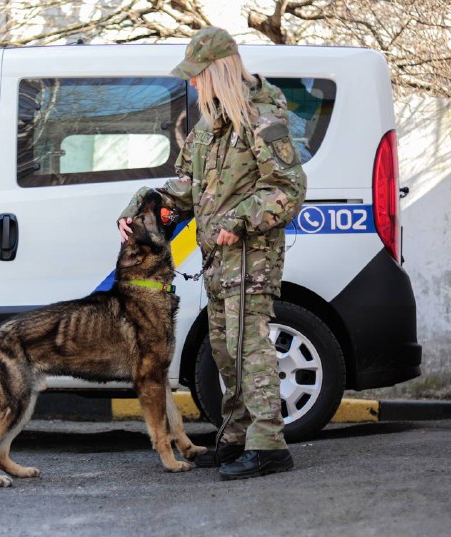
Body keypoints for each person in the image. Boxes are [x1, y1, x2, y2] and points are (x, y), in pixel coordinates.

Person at [117, 26, 307, 480]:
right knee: (224, 348)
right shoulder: (211, 127)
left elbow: (288, 189)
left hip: (250, 256)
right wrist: (141, 206)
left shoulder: (262, 119)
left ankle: (268, 446)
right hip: (218, 261)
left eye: (198, 76)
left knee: (250, 347)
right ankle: (239, 436)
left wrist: (237, 221)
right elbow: (183, 190)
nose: (194, 84)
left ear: (218, 71)